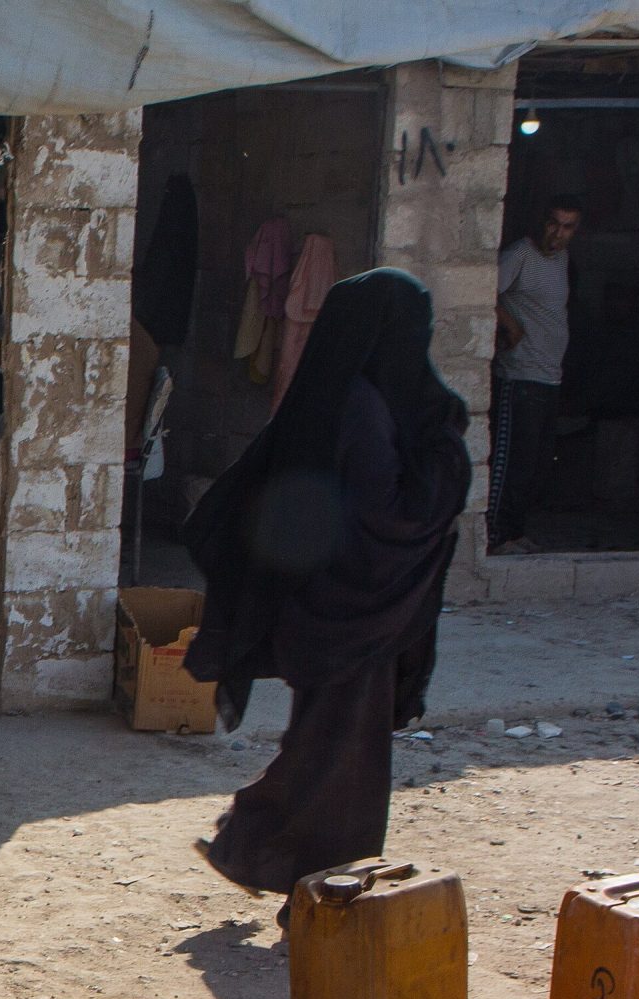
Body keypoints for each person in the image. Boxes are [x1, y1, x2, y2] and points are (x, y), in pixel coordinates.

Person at [180, 268, 473, 910]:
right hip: (350, 611)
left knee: (324, 750)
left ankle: (259, 852)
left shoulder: (350, 398)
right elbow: (387, 516)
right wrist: (447, 463)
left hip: (339, 611)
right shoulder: (361, 410)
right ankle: (313, 889)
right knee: (341, 765)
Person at [488, 193, 580, 555]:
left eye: (567, 227)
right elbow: (485, 290)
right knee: (513, 461)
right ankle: (496, 535)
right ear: (541, 221)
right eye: (553, 223)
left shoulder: (562, 259)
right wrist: (510, 326)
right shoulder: (519, 255)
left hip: (549, 375)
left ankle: (514, 531)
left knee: (535, 464)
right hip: (520, 375)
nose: (558, 233)